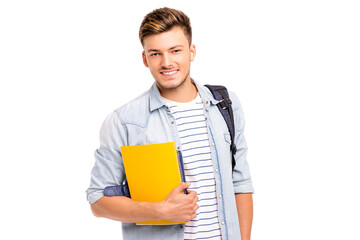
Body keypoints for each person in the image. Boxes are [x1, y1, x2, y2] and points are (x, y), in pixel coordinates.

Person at [86, 7, 254, 240]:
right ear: (145, 58)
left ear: (191, 51)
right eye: (155, 53)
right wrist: (158, 210)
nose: (167, 62)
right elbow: (98, 200)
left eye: (175, 50)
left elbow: (241, 184)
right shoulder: (123, 122)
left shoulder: (225, 105)